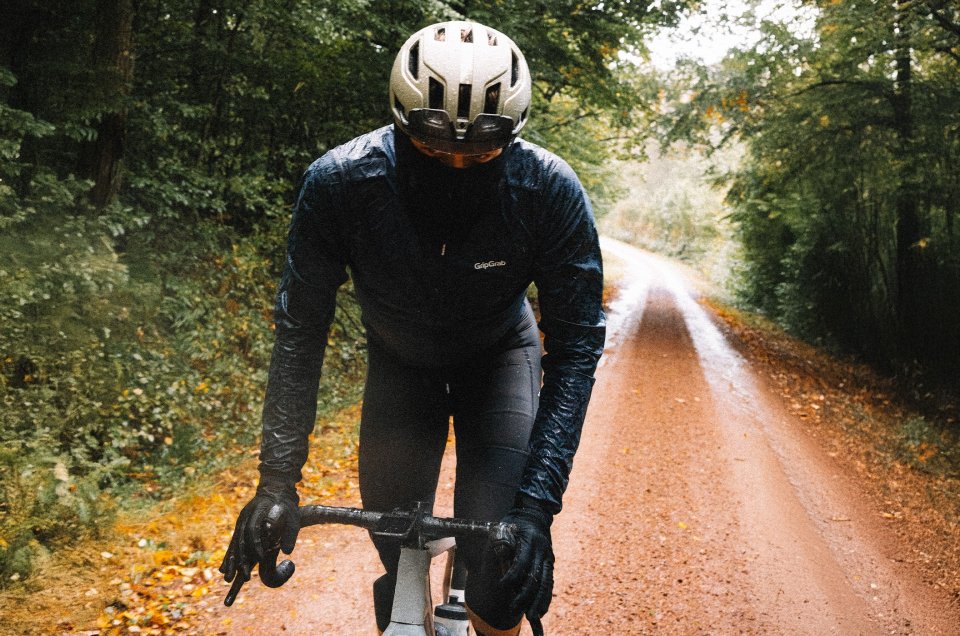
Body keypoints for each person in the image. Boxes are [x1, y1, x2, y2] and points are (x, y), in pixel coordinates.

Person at [219, 20, 605, 636]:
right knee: (396, 542)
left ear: (514, 133)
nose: (456, 164)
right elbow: (300, 335)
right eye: (431, 148)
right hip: (403, 364)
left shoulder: (548, 191)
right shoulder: (341, 183)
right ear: (401, 126)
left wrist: (535, 509)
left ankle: (483, 592)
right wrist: (276, 482)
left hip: (498, 355)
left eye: (480, 151)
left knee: (500, 575)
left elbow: (578, 347)